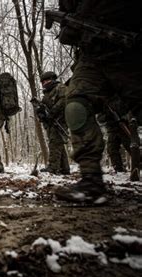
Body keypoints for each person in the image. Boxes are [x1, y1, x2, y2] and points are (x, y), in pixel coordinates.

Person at [53, 0, 142, 204]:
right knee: (76, 105)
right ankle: (91, 182)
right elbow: (67, 28)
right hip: (92, 56)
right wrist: (71, 28)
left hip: (132, 52)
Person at [37, 71, 70, 175]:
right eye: (43, 82)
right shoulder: (46, 93)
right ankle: (64, 168)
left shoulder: (60, 88)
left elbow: (63, 101)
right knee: (58, 143)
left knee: (55, 143)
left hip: (60, 120)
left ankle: (53, 167)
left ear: (53, 79)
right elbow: (43, 107)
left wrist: (52, 112)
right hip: (51, 122)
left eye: (46, 80)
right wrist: (41, 112)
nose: (44, 83)